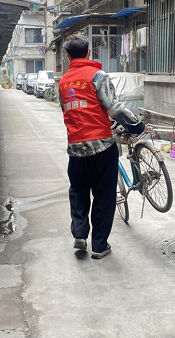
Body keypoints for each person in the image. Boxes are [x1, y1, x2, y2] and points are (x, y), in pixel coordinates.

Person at [59, 32, 145, 259]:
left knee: (78, 191)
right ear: (89, 52)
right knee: (104, 196)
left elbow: (69, 111)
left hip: (75, 148)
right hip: (101, 147)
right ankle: (99, 246)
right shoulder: (98, 76)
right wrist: (136, 125)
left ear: (68, 57)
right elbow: (114, 108)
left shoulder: (63, 82)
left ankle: (80, 234)